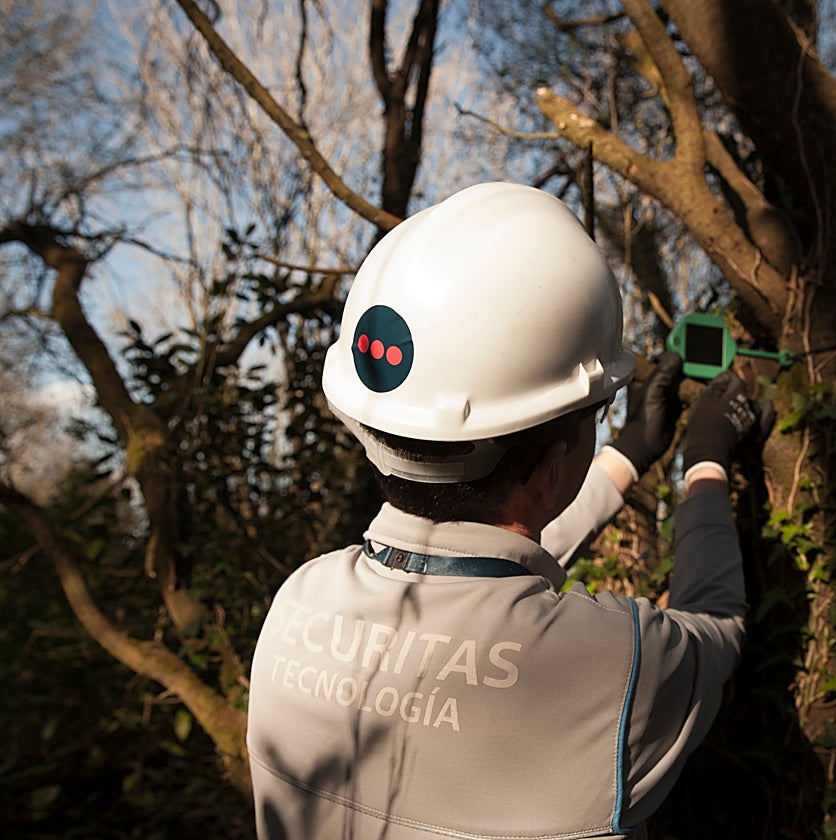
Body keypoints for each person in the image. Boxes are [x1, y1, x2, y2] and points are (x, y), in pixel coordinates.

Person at [246, 182, 772, 839]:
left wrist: (627, 454)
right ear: (553, 468)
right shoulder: (610, 666)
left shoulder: (296, 605)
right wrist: (708, 460)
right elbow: (715, 624)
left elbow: (473, 574)